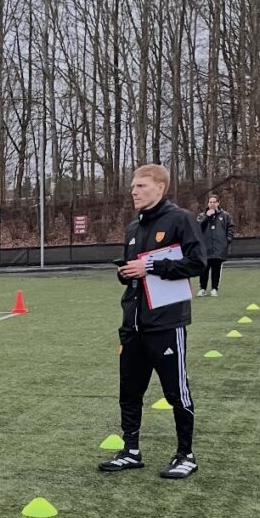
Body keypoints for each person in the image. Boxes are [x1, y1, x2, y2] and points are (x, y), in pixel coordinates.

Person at [99, 163, 206, 479]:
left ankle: (185, 454)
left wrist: (151, 267)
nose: (134, 191)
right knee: (129, 392)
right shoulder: (133, 228)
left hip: (166, 322)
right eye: (133, 186)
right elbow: (135, 273)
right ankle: (131, 451)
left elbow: (197, 262)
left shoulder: (180, 219)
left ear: (160, 187)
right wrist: (126, 273)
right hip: (133, 323)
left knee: (176, 391)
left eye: (141, 186)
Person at [196, 194, 234, 297]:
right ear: (208, 203)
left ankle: (214, 289)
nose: (212, 204)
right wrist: (207, 217)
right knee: (204, 269)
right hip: (205, 248)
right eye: (210, 202)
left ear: (218, 203)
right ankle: (202, 289)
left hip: (219, 247)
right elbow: (198, 228)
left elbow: (230, 229)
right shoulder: (202, 215)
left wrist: (227, 240)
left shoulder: (225, 216)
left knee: (216, 269)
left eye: (214, 202)